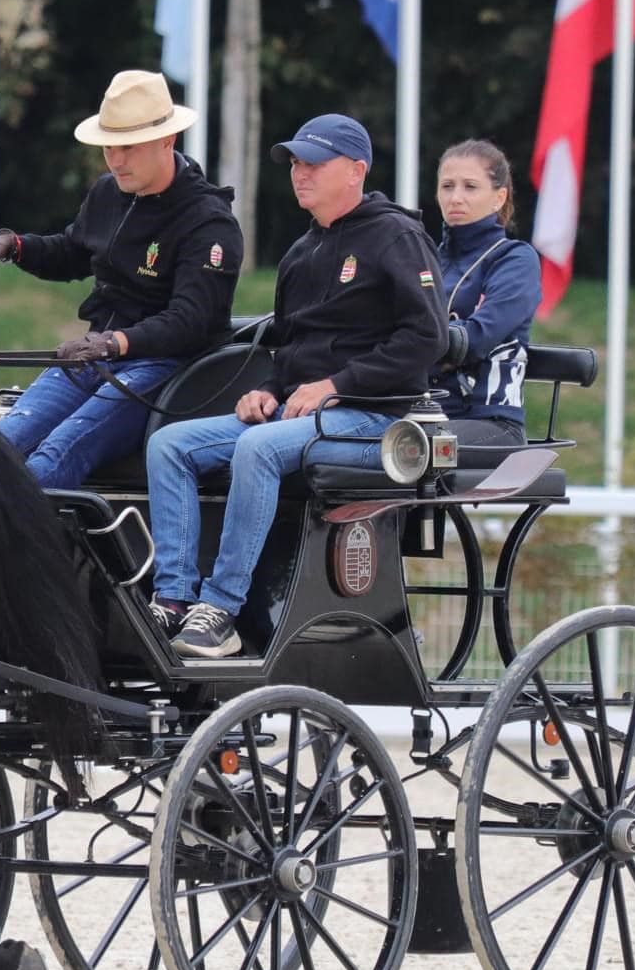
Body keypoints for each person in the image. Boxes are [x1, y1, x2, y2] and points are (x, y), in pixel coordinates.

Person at [147, 113, 446, 659]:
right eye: (295, 162)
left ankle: (221, 610)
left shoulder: (398, 237)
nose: (299, 172)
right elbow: (289, 345)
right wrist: (266, 389)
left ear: (356, 171)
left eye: (314, 162)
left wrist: (335, 383)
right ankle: (171, 600)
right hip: (304, 414)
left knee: (257, 448)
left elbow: (427, 340)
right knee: (170, 444)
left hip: (375, 418)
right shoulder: (301, 252)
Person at [0, 69, 243, 490]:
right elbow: (74, 251)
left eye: (127, 147)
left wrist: (115, 343)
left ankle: (29, 553)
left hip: (165, 369)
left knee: (53, 459)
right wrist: (15, 245)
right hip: (96, 356)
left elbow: (192, 320)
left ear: (168, 141)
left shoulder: (209, 223)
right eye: (108, 147)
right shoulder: (109, 193)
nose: (115, 160)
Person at [432, 139, 540, 446]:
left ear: (499, 197)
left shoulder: (515, 259)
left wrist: (417, 342)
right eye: (447, 186)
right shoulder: (424, 258)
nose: (455, 197)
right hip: (415, 412)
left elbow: (478, 337)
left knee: (400, 449)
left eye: (470, 187)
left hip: (488, 420)